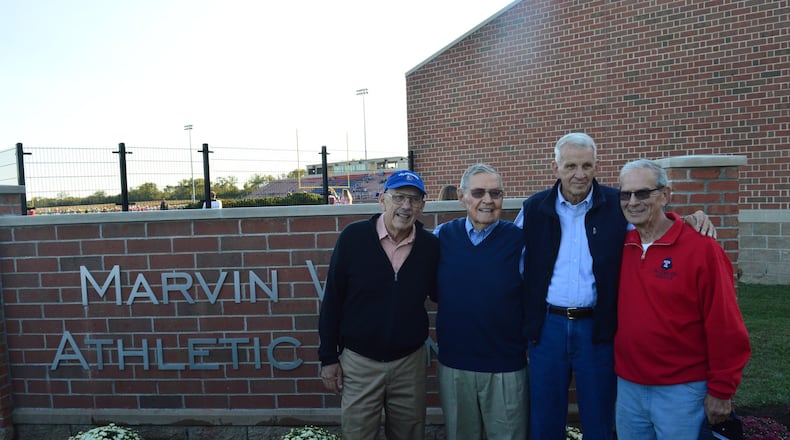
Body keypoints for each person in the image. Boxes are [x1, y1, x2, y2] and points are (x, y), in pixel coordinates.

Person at [519, 132, 716, 440]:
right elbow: (509, 249)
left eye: (587, 165)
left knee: (599, 417)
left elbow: (653, 224)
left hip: (597, 328)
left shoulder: (618, 203)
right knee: (544, 418)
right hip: (548, 327)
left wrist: (688, 219)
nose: (579, 174)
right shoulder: (534, 208)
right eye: (570, 165)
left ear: (597, 166)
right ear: (555, 167)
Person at [614, 159, 751, 439]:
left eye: (642, 193)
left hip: (682, 391)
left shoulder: (702, 250)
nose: (632, 202)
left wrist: (722, 391)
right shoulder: (620, 247)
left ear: (666, 195)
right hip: (628, 389)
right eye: (625, 194)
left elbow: (725, 325)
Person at [318, 170, 439, 440]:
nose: (406, 206)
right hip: (359, 362)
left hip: (409, 363)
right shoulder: (354, 238)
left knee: (409, 434)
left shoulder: (430, 246)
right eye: (399, 197)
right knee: (358, 434)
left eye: (414, 199)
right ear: (382, 200)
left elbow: (442, 293)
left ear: (422, 206)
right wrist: (328, 357)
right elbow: (333, 300)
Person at [433, 164, 527, 440]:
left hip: (506, 367)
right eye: (478, 192)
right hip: (454, 366)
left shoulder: (520, 241)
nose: (487, 200)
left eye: (495, 193)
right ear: (462, 197)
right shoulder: (441, 237)